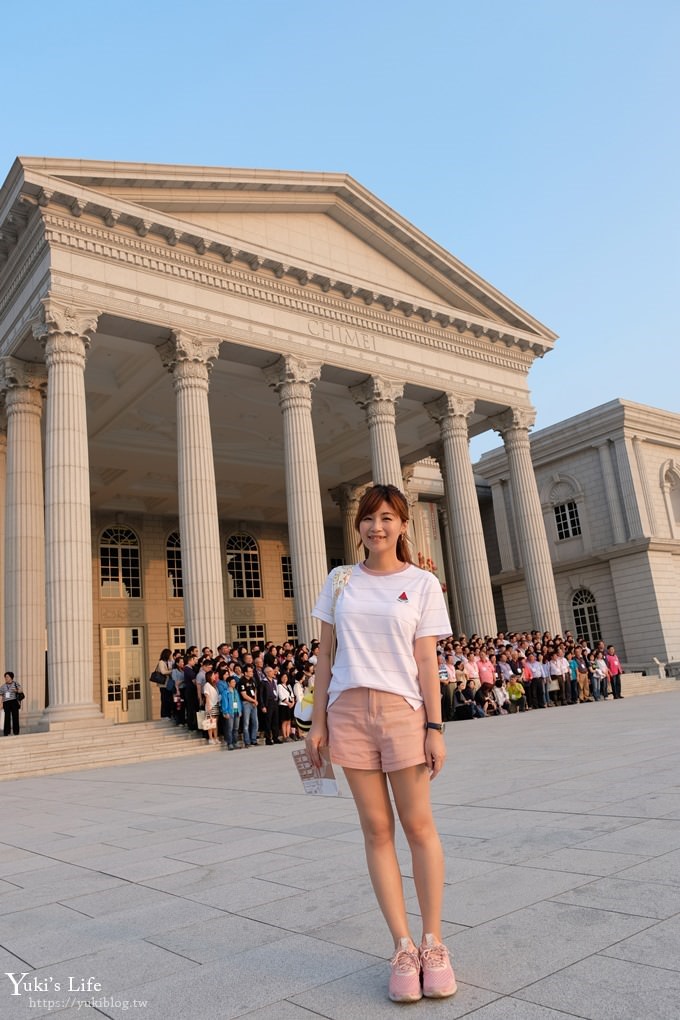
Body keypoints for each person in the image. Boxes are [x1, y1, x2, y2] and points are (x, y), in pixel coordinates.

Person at [308, 484, 457, 1003]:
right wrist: (316, 720)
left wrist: (434, 728)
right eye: (370, 518)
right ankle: (401, 946)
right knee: (376, 830)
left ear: (403, 524)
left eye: (388, 518)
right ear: (359, 526)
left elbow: (425, 663)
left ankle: (434, 942)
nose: (377, 527)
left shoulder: (422, 583)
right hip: (348, 711)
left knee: (418, 826)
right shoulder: (340, 580)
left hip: (402, 714)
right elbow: (325, 657)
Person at [1, 672, 22, 736]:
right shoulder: (3, 686)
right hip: (6, 702)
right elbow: (1, 695)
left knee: (15, 717)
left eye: (7, 677)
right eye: (5, 677)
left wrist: (16, 690)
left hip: (14, 702)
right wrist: (1, 704)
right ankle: (6, 732)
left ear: (11, 677)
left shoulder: (16, 683)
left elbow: (21, 691)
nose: (6, 678)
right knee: (7, 717)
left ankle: (16, 732)